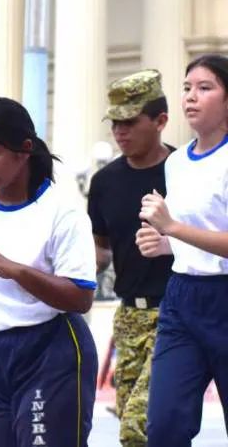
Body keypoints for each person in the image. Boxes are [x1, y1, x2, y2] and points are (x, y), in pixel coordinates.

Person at [0, 97, 98, 447]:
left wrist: (16, 270)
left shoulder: (62, 211)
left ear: (24, 150)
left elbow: (81, 297)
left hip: (49, 350)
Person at [136, 54, 228, 445]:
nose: (191, 97)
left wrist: (172, 227)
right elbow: (198, 235)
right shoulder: (176, 163)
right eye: (187, 88)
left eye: (205, 88)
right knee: (164, 425)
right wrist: (166, 244)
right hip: (181, 300)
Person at [86, 69, 174, 446]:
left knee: (139, 424)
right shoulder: (104, 182)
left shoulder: (185, 170)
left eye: (129, 123)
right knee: (138, 424)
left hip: (177, 311)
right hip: (128, 315)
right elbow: (101, 247)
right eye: (115, 124)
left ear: (160, 122)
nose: (120, 132)